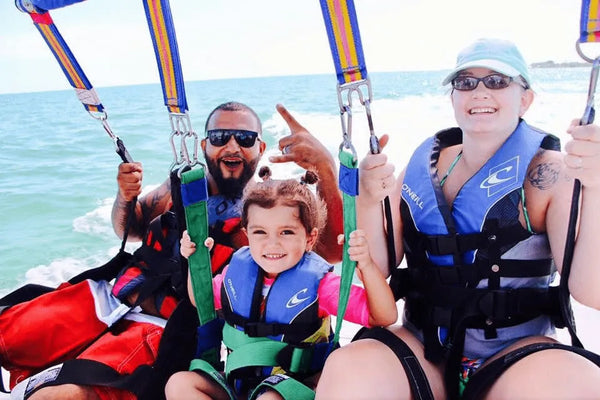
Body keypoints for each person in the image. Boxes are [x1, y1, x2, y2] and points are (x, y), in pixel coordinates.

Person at [314, 38, 600, 400]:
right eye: (465, 83)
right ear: (453, 98)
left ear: (525, 98)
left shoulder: (549, 174)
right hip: (423, 349)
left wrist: (595, 187)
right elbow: (380, 265)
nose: (479, 92)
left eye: (497, 81)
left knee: (579, 388)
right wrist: (370, 201)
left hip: (515, 356)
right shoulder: (424, 167)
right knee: (348, 370)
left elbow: (592, 292)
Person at [0, 102, 343, 400]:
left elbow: (327, 252)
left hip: (160, 325)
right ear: (206, 144)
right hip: (107, 297)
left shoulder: (267, 208)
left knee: (64, 394)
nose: (232, 146)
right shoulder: (180, 189)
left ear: (260, 146)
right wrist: (126, 195)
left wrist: (325, 166)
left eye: (245, 138)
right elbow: (131, 230)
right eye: (221, 138)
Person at [164, 168, 397, 400]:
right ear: (247, 235)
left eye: (286, 232)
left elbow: (384, 316)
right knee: (179, 384)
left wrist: (366, 265)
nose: (272, 244)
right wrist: (196, 261)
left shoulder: (321, 286)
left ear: (310, 238)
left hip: (292, 388)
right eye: (260, 232)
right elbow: (200, 300)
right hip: (241, 385)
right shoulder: (235, 273)